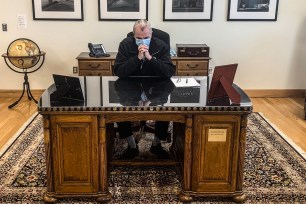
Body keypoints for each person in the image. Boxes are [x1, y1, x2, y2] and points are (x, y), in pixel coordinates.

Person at [113, 19, 175, 159]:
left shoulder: (161, 45)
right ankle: (131, 146)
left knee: (165, 111)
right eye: (138, 38)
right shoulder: (125, 44)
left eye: (146, 38)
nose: (142, 42)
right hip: (130, 85)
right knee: (118, 110)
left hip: (155, 86)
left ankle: (156, 145)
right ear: (133, 35)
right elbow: (118, 71)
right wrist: (137, 58)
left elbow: (168, 72)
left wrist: (150, 58)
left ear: (151, 34)